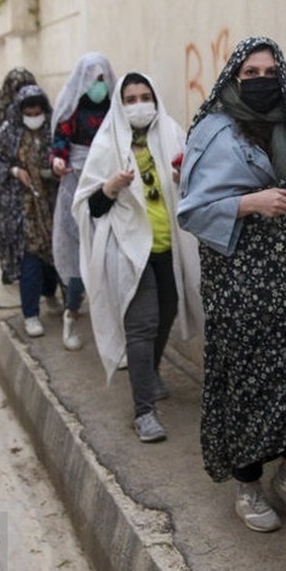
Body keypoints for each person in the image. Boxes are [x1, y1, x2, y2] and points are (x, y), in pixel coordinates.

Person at [177, 37, 286, 532]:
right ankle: (248, 486)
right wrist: (249, 203)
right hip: (238, 280)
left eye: (269, 73)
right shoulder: (213, 130)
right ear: (233, 78)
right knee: (246, 381)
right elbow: (192, 210)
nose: (261, 81)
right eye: (250, 73)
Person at [73, 72, 203, 443]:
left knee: (167, 311)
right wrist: (110, 187)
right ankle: (144, 411)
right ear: (119, 104)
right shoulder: (106, 144)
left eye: (145, 96)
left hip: (168, 244)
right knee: (142, 323)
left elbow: (195, 179)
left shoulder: (172, 133)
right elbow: (89, 207)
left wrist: (183, 176)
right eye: (130, 99)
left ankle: (151, 373)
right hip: (129, 249)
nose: (138, 104)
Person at [50, 53, 116, 350]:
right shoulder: (71, 112)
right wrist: (58, 163)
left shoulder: (115, 110)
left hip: (110, 187)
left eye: (102, 79)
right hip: (76, 185)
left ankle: (115, 335)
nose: (97, 86)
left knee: (109, 258)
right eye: (92, 79)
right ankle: (71, 316)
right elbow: (59, 147)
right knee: (79, 257)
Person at [0, 85, 61, 336]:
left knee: (52, 259)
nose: (34, 116)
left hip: (50, 206)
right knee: (31, 261)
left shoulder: (52, 129)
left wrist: (53, 171)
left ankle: (50, 294)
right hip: (22, 208)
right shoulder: (9, 132)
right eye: (28, 112)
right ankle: (30, 314)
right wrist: (15, 171)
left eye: (37, 111)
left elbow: (61, 154)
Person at [0, 67, 37, 262]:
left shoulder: (37, 111)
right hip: (6, 183)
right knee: (8, 229)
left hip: (32, 185)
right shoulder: (2, 117)